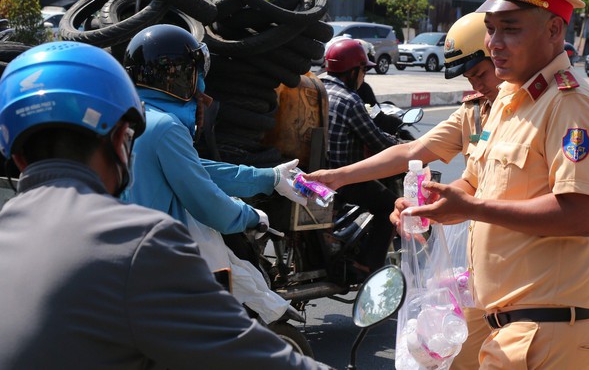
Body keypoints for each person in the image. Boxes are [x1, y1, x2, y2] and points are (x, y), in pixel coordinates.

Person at [0, 42, 329, 369]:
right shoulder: (142, 243)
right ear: (120, 139)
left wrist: (267, 177)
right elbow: (248, 355)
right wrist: (249, 212)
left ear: (15, 153)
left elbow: (196, 168)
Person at [395, 0, 589, 369]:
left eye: (509, 29)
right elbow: (474, 184)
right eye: (490, 28)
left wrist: (472, 207)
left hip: (545, 331)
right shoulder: (511, 100)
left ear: (554, 31)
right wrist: (433, 206)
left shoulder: (569, 105)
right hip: (497, 320)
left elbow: (581, 215)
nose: (494, 44)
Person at [305, 11, 502, 370]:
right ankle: (368, 262)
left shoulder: (533, 110)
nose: (477, 84)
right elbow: (411, 151)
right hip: (477, 272)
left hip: (513, 279)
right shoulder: (475, 111)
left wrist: (461, 204)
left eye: (481, 73)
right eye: (471, 77)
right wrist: (340, 177)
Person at [122, 24, 305, 236]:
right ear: (182, 78)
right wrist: (249, 217)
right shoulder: (166, 127)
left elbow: (192, 169)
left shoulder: (126, 115)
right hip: (144, 251)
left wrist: (268, 177)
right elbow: (206, 202)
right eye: (196, 74)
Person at [320, 38, 400, 274]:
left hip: (310, 172)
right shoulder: (349, 99)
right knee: (388, 206)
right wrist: (403, 147)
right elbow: (377, 141)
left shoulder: (316, 87)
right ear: (354, 71)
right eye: (364, 70)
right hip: (342, 179)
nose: (364, 76)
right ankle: (368, 264)